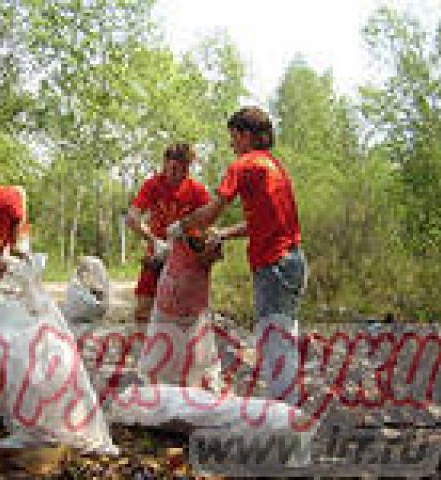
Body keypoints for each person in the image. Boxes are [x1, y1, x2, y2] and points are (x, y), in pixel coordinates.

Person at [168, 106, 307, 405]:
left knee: (275, 345)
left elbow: (211, 212)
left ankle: (283, 420)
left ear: (245, 136)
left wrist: (181, 226)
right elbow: (263, 222)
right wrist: (225, 234)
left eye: (233, 137)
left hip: (274, 266)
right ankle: (288, 410)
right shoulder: (274, 167)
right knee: (285, 339)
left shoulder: (244, 165)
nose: (231, 144)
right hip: (294, 262)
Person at [126, 143, 211, 325]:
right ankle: (147, 349)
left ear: (188, 168)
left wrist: (201, 246)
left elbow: (209, 224)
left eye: (183, 170)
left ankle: (181, 350)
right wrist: (154, 240)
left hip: (186, 260)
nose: (177, 174)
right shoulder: (153, 185)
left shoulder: (197, 191)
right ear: (165, 164)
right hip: (157, 254)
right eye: (172, 169)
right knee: (143, 310)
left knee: (185, 314)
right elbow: (132, 217)